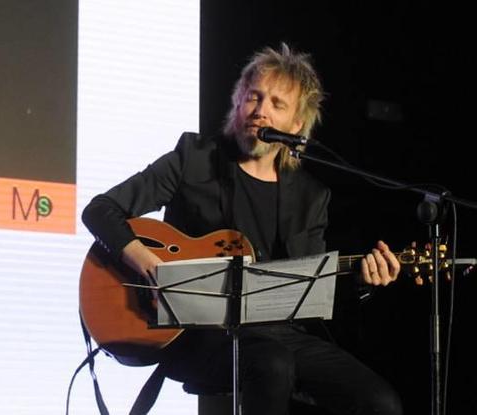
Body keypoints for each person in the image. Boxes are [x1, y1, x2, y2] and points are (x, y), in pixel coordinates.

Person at [81, 44, 403, 414]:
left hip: (279, 333)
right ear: (238, 103)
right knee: (271, 363)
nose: (260, 110)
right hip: (196, 332)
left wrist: (363, 283)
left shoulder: (311, 197)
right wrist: (150, 265)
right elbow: (100, 210)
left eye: (277, 104)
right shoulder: (194, 159)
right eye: (254, 97)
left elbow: (312, 291)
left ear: (296, 126)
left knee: (381, 403)